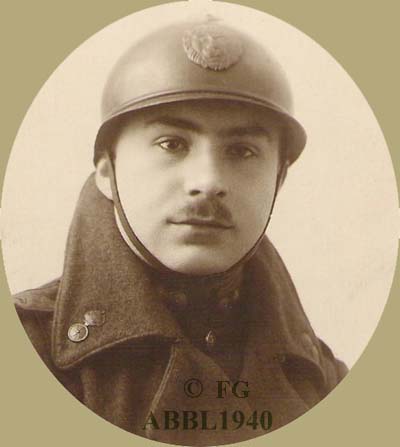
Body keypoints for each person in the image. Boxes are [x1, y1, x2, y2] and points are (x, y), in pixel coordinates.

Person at [14, 16, 347, 446]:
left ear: (279, 179)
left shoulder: (324, 381)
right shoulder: (26, 353)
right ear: (107, 171)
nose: (208, 181)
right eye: (172, 144)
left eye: (242, 151)